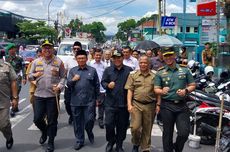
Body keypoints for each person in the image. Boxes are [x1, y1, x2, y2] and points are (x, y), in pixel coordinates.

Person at [154, 47, 196, 152]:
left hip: (182, 106)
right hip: (167, 105)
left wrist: (185, 91)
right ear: (163, 57)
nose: (168, 58)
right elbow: (156, 89)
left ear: (174, 56)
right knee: (167, 133)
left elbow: (192, 85)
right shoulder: (160, 72)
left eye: (170, 55)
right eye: (166, 56)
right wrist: (162, 91)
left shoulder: (184, 69)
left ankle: (177, 148)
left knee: (184, 133)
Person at [28, 40, 65, 152]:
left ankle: (51, 141)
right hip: (39, 95)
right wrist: (34, 76)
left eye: (49, 48)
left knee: (52, 120)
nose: (47, 50)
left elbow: (63, 76)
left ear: (53, 49)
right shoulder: (36, 62)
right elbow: (29, 76)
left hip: (52, 96)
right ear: (42, 50)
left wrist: (59, 86)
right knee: (37, 119)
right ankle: (44, 131)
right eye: (45, 48)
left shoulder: (58, 62)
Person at [67, 50, 100, 150]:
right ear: (76, 59)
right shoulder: (72, 71)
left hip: (89, 101)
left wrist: (97, 98)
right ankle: (79, 140)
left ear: (86, 59)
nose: (81, 60)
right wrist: (73, 80)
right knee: (77, 122)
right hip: (75, 101)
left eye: (83, 58)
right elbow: (68, 85)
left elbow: (97, 85)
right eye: (79, 58)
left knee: (90, 120)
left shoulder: (92, 70)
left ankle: (89, 131)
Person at [101, 50, 132, 152]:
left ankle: (119, 144)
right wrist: (107, 85)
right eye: (115, 58)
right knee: (109, 124)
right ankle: (111, 141)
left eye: (119, 57)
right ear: (112, 59)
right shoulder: (108, 70)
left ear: (122, 58)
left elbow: (132, 86)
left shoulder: (129, 70)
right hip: (110, 103)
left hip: (123, 104)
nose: (117, 59)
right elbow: (103, 82)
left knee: (122, 126)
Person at [125, 55, 157, 152]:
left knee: (147, 128)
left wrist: (158, 104)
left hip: (150, 105)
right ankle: (136, 142)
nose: (143, 64)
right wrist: (129, 104)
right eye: (141, 63)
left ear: (149, 64)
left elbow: (157, 91)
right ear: (138, 63)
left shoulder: (155, 75)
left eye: (145, 63)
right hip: (136, 104)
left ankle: (145, 147)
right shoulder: (133, 75)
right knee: (135, 127)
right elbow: (130, 90)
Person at [0, 52, 18, 150]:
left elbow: (13, 81)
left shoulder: (6, 66)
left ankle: (9, 137)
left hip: (3, 102)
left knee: (3, 125)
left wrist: (14, 98)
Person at [5, 43, 26, 117]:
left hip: (17, 77)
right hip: (7, 78)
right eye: (9, 49)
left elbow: (23, 68)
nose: (10, 50)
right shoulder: (6, 58)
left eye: (12, 49)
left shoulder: (19, 58)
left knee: (16, 93)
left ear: (14, 49)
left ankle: (13, 109)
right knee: (10, 94)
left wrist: (24, 78)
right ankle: (15, 106)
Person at [64, 41, 82, 125]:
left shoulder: (85, 60)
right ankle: (71, 115)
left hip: (80, 87)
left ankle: (77, 117)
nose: (76, 50)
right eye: (74, 48)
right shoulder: (68, 60)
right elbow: (64, 73)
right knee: (67, 103)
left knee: (79, 104)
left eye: (78, 48)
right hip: (69, 86)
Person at [89, 48, 106, 129]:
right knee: (92, 104)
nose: (98, 56)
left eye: (99, 55)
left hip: (101, 88)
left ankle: (100, 120)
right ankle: (92, 117)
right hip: (92, 87)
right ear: (94, 55)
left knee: (101, 105)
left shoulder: (104, 65)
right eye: (96, 55)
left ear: (101, 55)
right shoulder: (90, 64)